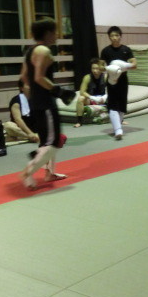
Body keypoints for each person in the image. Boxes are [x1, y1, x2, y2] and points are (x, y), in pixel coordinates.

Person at [19, 18, 76, 190]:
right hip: (46, 104)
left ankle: (49, 172)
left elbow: (24, 77)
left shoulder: (30, 51)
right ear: (48, 33)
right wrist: (59, 91)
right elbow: (39, 77)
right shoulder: (44, 50)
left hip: (37, 102)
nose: (56, 35)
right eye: (54, 31)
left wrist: (34, 96)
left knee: (47, 141)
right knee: (52, 143)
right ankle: (28, 172)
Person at [100, 26, 136, 140]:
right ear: (109, 37)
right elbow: (100, 66)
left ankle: (118, 127)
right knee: (112, 104)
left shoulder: (126, 50)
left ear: (120, 36)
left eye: (116, 35)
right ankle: (118, 130)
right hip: (111, 81)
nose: (114, 38)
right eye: (112, 36)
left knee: (121, 105)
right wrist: (109, 69)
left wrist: (124, 66)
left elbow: (135, 65)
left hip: (123, 80)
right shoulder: (105, 51)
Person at [73, 58, 107, 128]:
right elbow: (82, 92)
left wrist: (104, 97)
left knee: (116, 96)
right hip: (91, 99)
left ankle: (120, 119)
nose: (95, 71)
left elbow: (112, 90)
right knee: (80, 98)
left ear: (101, 69)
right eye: (93, 68)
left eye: (97, 68)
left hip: (102, 99)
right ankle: (79, 121)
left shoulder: (105, 77)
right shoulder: (87, 77)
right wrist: (92, 97)